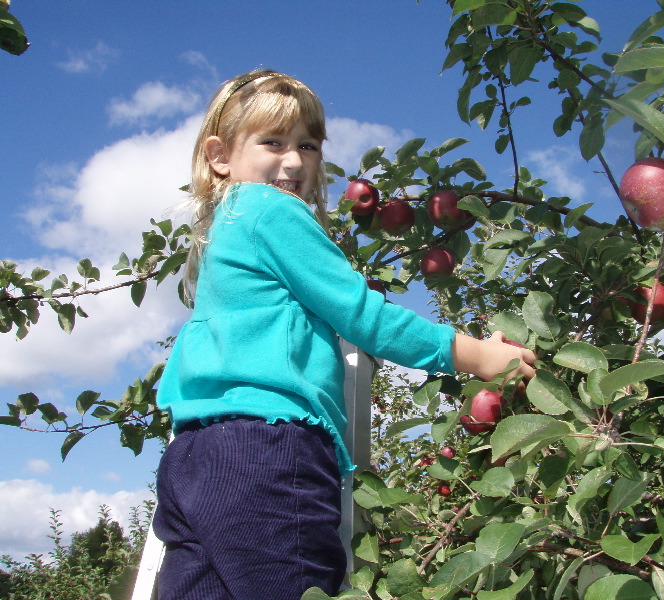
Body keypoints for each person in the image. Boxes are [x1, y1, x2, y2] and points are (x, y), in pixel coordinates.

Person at [152, 69, 537, 600]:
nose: (293, 161)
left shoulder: (227, 228)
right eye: (272, 142)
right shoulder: (268, 209)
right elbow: (363, 316)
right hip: (268, 449)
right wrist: (475, 355)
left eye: (308, 145)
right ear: (221, 156)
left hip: (192, 459)